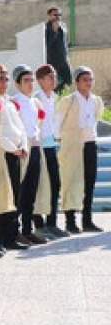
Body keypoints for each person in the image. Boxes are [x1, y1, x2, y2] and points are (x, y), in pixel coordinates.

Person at [0, 63, 30, 251]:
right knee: (0, 196)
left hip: (16, 152)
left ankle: (12, 235)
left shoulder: (9, 102)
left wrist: (23, 145)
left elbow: (21, 128)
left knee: (15, 195)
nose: (3, 82)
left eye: (5, 79)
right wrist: (13, 148)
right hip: (3, 154)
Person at [57, 66, 104, 234]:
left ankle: (87, 220)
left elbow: (95, 120)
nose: (89, 83)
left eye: (91, 79)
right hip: (72, 146)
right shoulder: (68, 101)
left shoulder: (96, 101)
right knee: (71, 181)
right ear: (77, 82)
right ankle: (70, 221)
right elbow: (58, 124)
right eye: (85, 79)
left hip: (90, 144)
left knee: (89, 183)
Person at [11, 64, 49, 245]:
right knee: (20, 191)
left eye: (32, 80)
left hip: (34, 148)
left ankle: (28, 229)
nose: (30, 83)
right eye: (26, 80)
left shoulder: (35, 102)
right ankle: (15, 230)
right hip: (21, 150)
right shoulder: (14, 102)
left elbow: (39, 124)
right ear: (17, 83)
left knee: (32, 190)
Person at [33, 64, 69, 237]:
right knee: (40, 185)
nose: (54, 80)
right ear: (40, 81)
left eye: (54, 76)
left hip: (52, 145)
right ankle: (38, 224)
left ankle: (52, 222)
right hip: (39, 146)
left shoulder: (55, 98)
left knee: (55, 184)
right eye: (49, 77)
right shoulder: (36, 99)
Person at [45, 7, 71, 93]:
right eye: (55, 15)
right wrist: (54, 32)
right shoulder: (45, 29)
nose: (58, 17)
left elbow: (65, 44)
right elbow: (46, 46)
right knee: (55, 87)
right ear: (49, 16)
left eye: (59, 15)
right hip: (53, 64)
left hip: (64, 63)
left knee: (67, 85)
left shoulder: (63, 27)